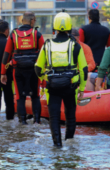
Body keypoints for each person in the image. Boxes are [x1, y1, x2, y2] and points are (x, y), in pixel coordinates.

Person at [35, 12, 88, 147]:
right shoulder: (75, 46)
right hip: (71, 86)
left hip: (52, 87)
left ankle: (57, 145)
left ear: (55, 28)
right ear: (70, 27)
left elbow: (37, 68)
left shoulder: (47, 45)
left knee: (54, 117)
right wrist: (82, 88)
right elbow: (84, 69)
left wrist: (45, 78)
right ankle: (69, 143)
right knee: (70, 115)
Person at [1, 12, 45, 124]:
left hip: (18, 70)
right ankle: (37, 121)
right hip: (34, 70)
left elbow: (6, 54)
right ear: (32, 20)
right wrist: (45, 74)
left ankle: (22, 122)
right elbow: (45, 54)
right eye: (34, 20)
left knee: (20, 97)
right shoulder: (37, 34)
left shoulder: (13, 34)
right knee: (35, 96)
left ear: (22, 21)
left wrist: (3, 73)